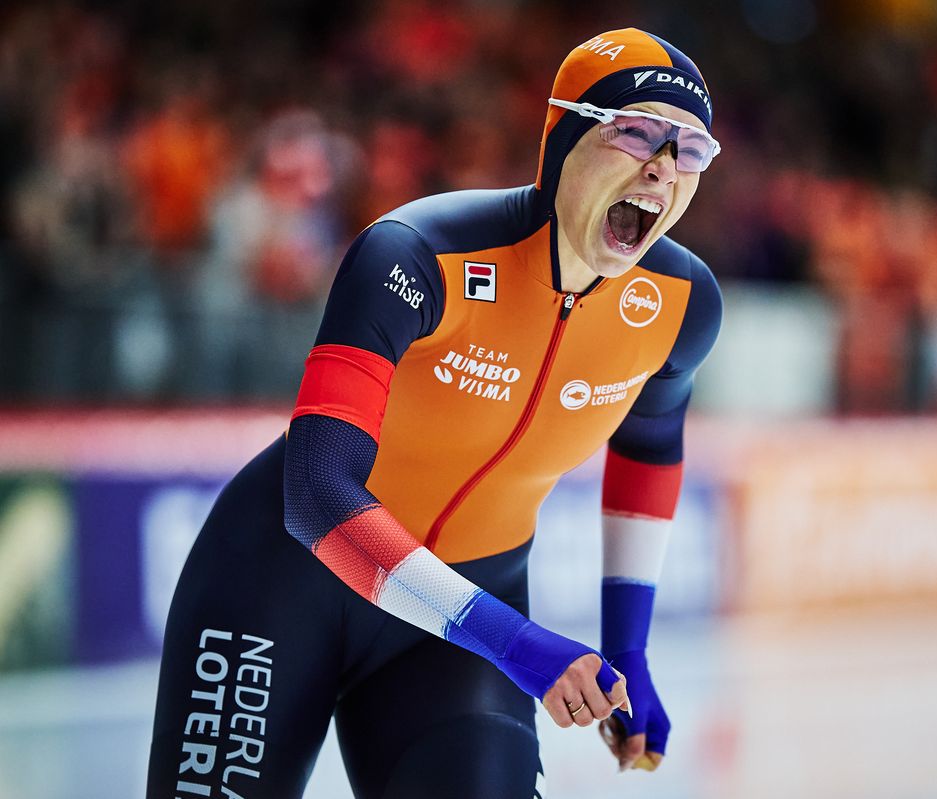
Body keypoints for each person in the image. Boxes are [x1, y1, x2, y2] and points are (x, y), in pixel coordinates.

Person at [147, 27, 722, 799]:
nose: (662, 165)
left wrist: (630, 652)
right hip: (284, 584)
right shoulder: (417, 254)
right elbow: (317, 492)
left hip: (459, 625)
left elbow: (649, 448)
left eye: (690, 149)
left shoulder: (682, 304)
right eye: (637, 132)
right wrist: (513, 641)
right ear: (562, 135)